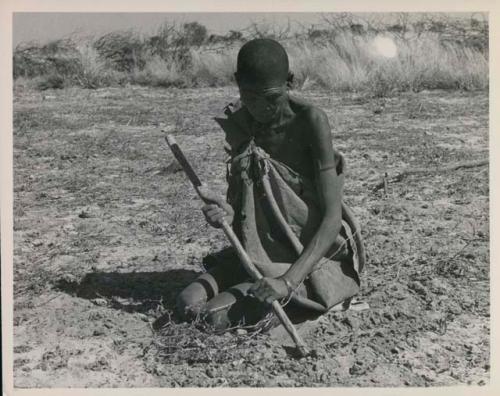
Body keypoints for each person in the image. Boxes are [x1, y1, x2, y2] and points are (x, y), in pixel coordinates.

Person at [175, 38, 365, 330]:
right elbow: (245, 202)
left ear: (289, 82)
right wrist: (224, 213)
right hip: (255, 251)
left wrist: (287, 282)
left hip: (305, 254)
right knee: (187, 303)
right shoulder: (240, 122)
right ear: (237, 84)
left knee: (213, 317)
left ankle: (295, 293)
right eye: (250, 97)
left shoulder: (311, 122)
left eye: (272, 98)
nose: (261, 108)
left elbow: (331, 218)